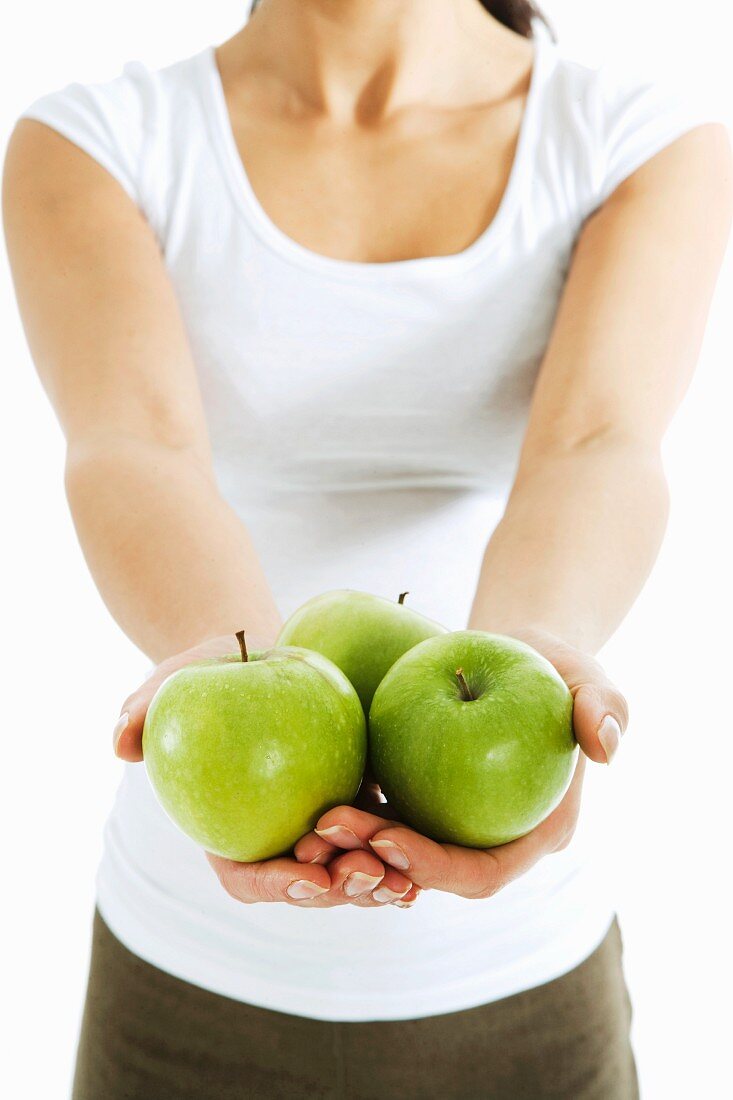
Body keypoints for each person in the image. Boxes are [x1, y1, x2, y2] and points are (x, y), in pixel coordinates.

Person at [4, 1, 730, 1096]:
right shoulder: (97, 139)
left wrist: (535, 649)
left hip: (521, 979)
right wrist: (229, 660)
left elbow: (595, 442)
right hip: (187, 972)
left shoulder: (635, 136)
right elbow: (132, 445)